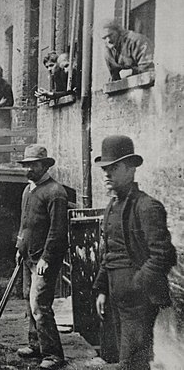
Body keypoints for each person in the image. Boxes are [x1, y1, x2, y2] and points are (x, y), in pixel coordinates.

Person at [93, 135, 176, 370]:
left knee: (134, 362)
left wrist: (136, 284)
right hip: (115, 296)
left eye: (114, 168)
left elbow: (163, 254)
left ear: (131, 170)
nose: (107, 174)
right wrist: (101, 289)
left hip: (138, 301)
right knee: (124, 359)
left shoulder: (147, 207)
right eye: (105, 169)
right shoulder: (113, 206)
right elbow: (107, 252)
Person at [15, 144, 68, 370]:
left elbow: (57, 231)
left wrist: (47, 258)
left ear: (44, 165)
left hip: (44, 259)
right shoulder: (29, 190)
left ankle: (54, 355)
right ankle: (35, 345)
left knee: (40, 305)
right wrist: (20, 247)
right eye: (26, 165)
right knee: (29, 299)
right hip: (28, 255)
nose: (28, 170)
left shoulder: (56, 192)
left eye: (33, 165)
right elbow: (25, 223)